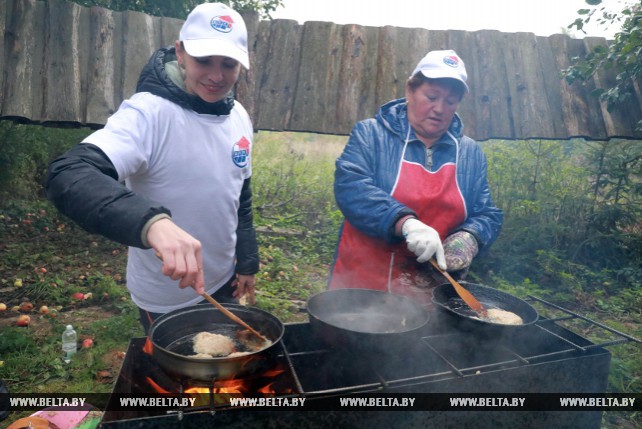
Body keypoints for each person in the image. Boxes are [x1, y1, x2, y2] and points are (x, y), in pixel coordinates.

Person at [45, 3, 258, 333]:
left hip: (223, 281)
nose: (217, 76)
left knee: (225, 371)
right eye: (204, 60)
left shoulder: (239, 117)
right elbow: (69, 172)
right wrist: (152, 223)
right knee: (176, 381)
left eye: (228, 64)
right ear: (181, 52)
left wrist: (246, 262)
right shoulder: (148, 114)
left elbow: (239, 197)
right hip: (165, 296)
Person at [328, 49, 503, 306]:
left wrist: (470, 237)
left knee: (420, 345)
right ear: (410, 91)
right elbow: (351, 187)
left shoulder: (469, 153)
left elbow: (487, 213)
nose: (440, 109)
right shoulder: (371, 134)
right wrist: (407, 223)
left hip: (431, 294)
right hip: (362, 286)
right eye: (431, 97)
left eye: (451, 101)